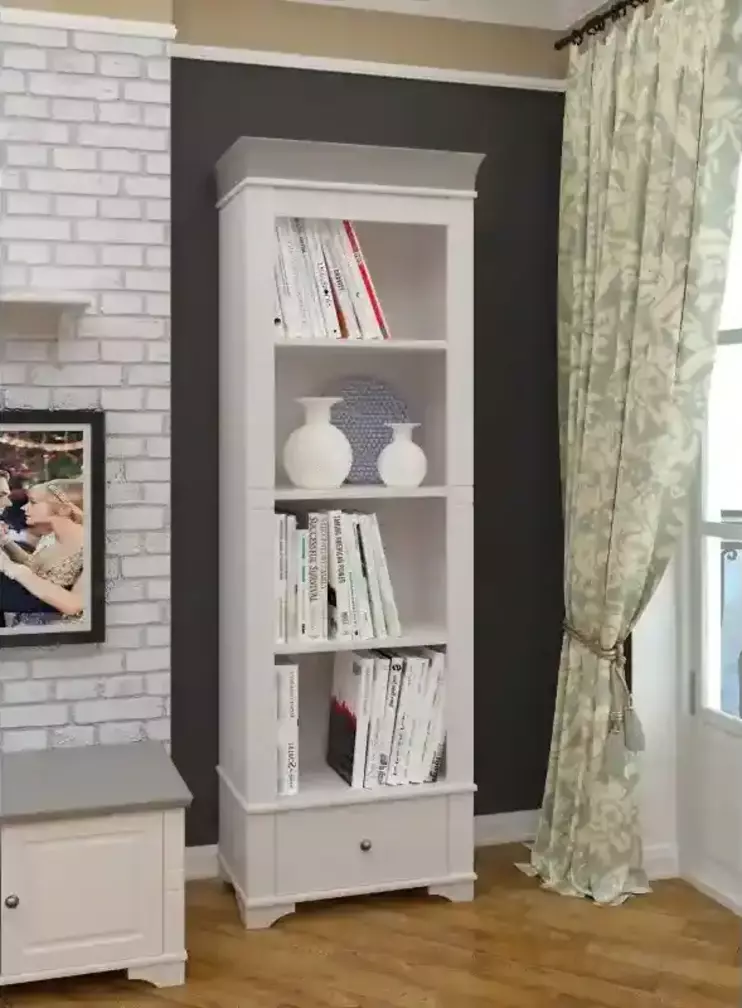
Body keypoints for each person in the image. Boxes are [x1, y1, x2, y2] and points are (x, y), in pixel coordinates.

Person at [0, 479, 85, 627]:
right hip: (24, 623)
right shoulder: (50, 537)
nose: (24, 507)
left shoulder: (91, 548)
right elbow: (35, 566)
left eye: (33, 502)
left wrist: (13, 569)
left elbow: (74, 605)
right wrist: (5, 541)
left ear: (63, 509)